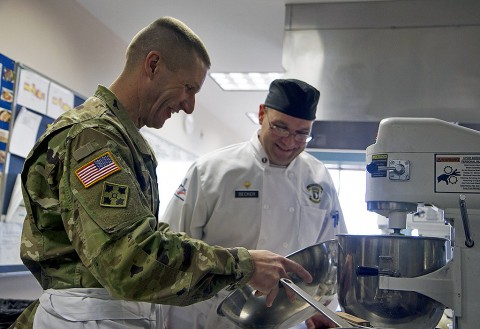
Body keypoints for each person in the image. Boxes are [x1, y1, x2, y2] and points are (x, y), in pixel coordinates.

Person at [11, 18, 313, 329]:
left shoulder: (123, 141)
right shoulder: (92, 138)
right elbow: (130, 261)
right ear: (153, 64)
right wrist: (243, 265)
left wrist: (241, 262)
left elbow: (148, 235)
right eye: (188, 87)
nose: (190, 106)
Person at [162, 78, 348, 329]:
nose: (290, 141)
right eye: (281, 127)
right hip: (218, 320)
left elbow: (334, 252)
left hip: (291, 322)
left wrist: (324, 308)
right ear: (262, 114)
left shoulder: (319, 178)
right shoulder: (211, 171)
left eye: (302, 133)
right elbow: (173, 249)